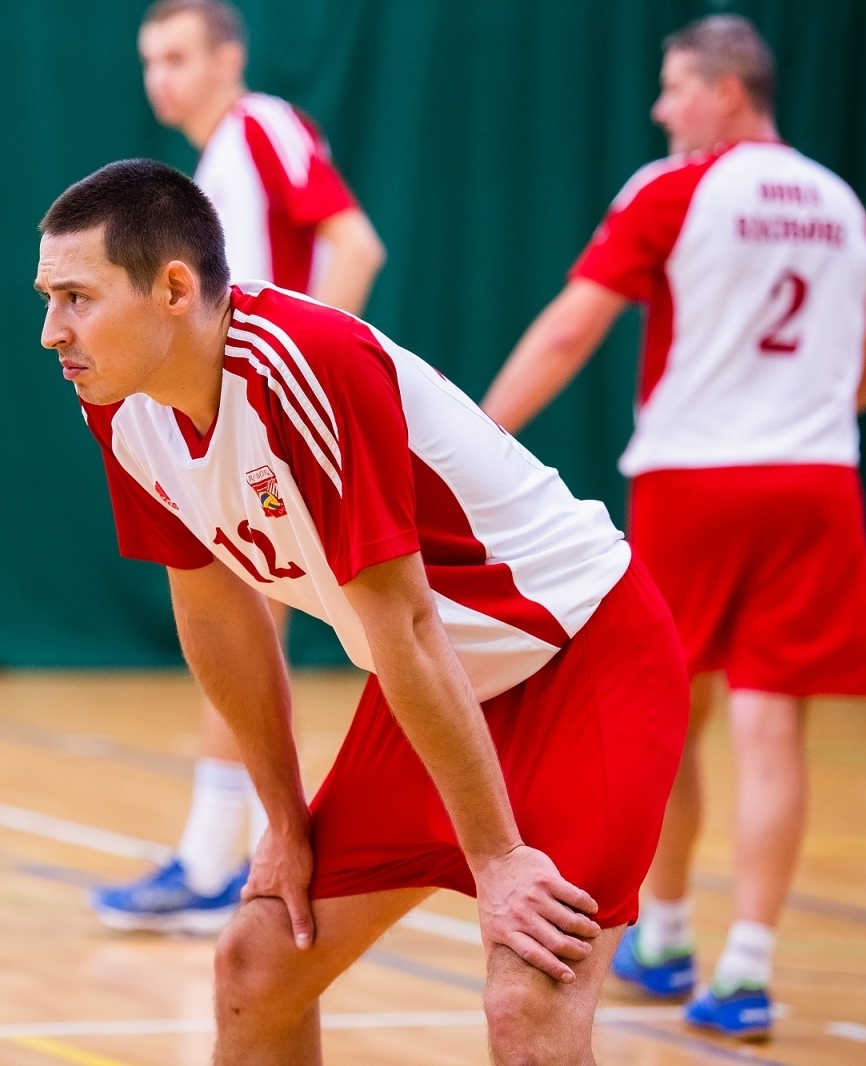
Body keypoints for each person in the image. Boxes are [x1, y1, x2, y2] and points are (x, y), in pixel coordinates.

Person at [37, 158, 687, 1065]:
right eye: (47, 298)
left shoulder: (305, 366)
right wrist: (284, 819)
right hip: (438, 685)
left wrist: (498, 857)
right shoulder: (120, 402)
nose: (50, 332)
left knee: (526, 1002)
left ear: (174, 290)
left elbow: (411, 627)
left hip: (584, 657)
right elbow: (217, 611)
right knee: (258, 965)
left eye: (75, 297)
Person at [480, 14, 866, 1041]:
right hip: (812, 485)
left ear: (725, 90)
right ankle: (746, 967)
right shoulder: (841, 207)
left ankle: (662, 932)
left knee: (667, 712)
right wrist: (788, 411)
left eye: (675, 88)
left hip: (694, 481)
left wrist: (479, 438)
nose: (661, 109)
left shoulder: (675, 189)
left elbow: (573, 325)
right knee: (771, 730)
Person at [91, 0, 386, 933]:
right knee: (242, 630)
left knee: (247, 625)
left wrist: (302, 380)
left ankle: (225, 861)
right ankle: (236, 854)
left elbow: (355, 241)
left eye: (177, 55)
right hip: (242, 419)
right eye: (149, 61)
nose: (160, 78)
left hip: (271, 422)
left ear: (230, 55)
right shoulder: (216, 159)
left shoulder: (264, 127)